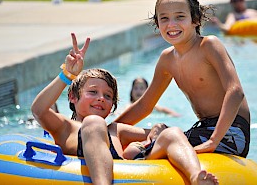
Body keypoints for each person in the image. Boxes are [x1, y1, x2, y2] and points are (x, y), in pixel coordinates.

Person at [31, 33, 218, 185]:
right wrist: (68, 74)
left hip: (133, 170)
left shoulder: (115, 130)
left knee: (173, 132)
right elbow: (38, 109)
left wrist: (157, 131)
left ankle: (195, 177)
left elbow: (158, 135)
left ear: (112, 107)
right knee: (94, 123)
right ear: (72, 97)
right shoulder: (65, 127)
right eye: (93, 92)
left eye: (108, 96)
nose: (100, 99)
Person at [115, 0, 250, 158]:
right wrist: (111, 129)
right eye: (164, 18)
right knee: (137, 134)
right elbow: (144, 105)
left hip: (231, 133)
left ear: (195, 19)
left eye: (180, 17)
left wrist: (214, 140)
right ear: (157, 24)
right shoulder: (167, 59)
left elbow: (236, 92)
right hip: (203, 129)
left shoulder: (209, 46)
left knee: (137, 151)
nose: (171, 24)